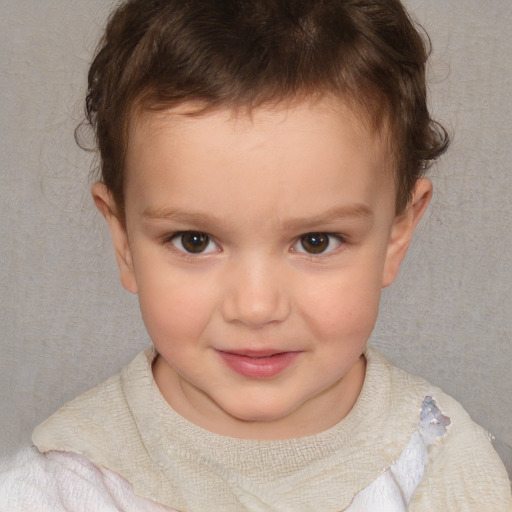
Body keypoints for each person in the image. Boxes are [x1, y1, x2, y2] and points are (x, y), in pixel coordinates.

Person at [1, 0, 510, 510]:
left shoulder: (439, 459)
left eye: (316, 241)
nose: (256, 306)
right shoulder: (62, 487)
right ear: (124, 242)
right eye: (194, 241)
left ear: (397, 234)